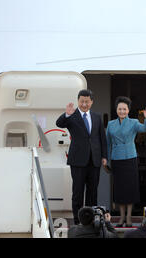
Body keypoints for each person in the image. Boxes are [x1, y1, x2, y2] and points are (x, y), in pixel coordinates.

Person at [56, 89, 108, 225]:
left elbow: (102, 138)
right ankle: (78, 222)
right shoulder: (72, 116)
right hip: (78, 160)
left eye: (87, 101)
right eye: (82, 101)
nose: (84, 104)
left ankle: (91, 221)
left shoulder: (97, 117)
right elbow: (59, 124)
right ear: (78, 101)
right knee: (78, 193)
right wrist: (66, 114)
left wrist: (104, 156)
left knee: (92, 192)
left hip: (94, 160)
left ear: (92, 102)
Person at [106, 96, 146, 227]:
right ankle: (121, 218)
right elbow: (107, 143)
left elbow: (145, 129)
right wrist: (107, 160)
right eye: (120, 109)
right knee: (119, 189)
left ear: (128, 110)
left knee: (130, 188)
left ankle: (129, 217)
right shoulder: (110, 124)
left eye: (124, 109)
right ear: (116, 110)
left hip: (130, 158)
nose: (122, 111)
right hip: (116, 159)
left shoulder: (133, 122)